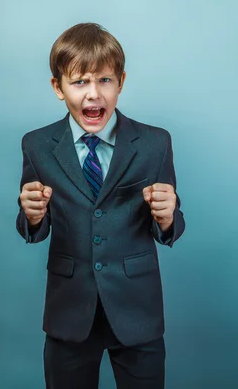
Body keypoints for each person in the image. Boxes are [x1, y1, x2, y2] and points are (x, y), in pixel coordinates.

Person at [15, 22, 186, 389]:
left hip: (136, 309)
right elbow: (35, 227)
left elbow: (169, 229)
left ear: (121, 82)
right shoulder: (37, 146)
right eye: (79, 82)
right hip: (69, 311)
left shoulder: (155, 143)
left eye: (105, 80)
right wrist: (31, 216)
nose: (94, 95)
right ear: (57, 87)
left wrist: (169, 216)